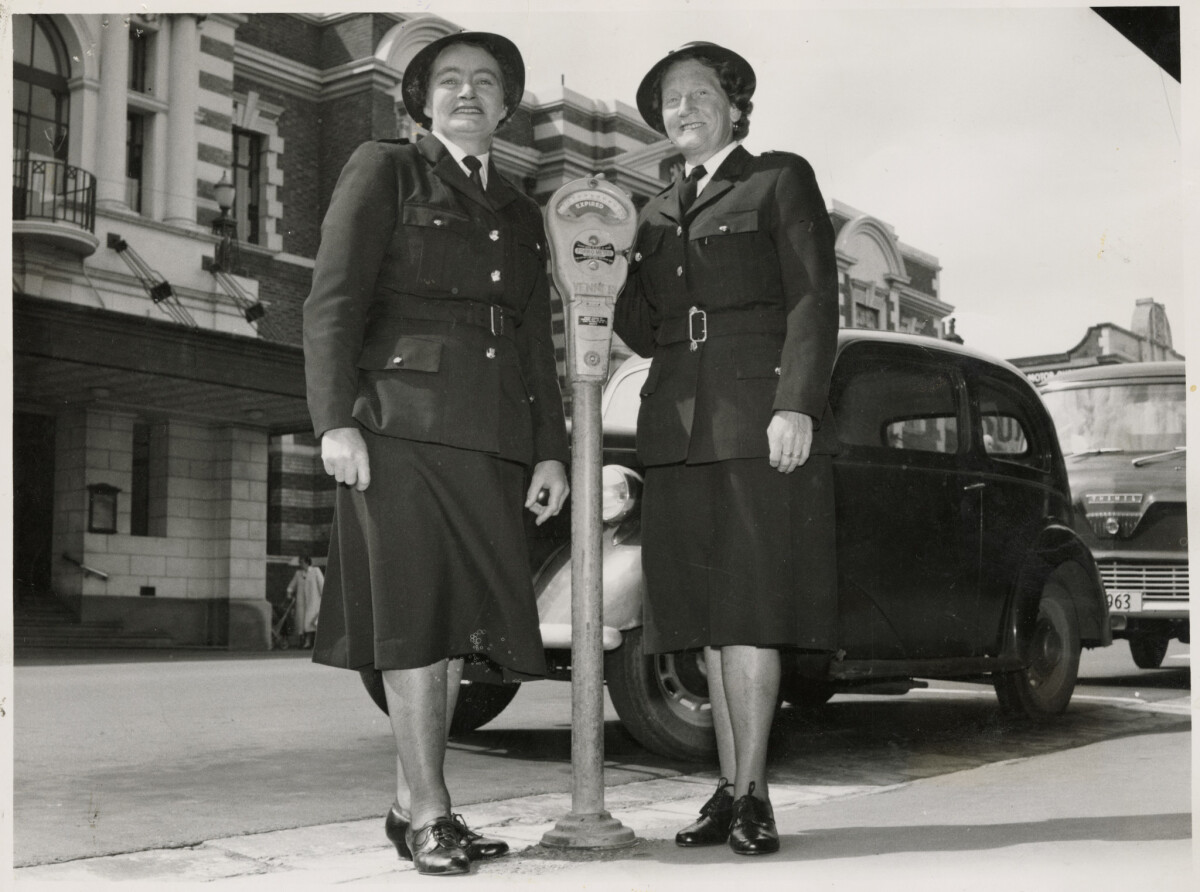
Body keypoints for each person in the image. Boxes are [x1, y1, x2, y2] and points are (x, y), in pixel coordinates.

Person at [302, 30, 569, 877]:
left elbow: (536, 344)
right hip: (399, 428)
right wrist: (334, 422)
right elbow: (333, 301)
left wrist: (550, 453)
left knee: (454, 632)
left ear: (505, 105)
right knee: (415, 623)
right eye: (448, 80)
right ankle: (432, 812)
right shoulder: (384, 169)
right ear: (419, 101)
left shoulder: (523, 210)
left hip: (490, 438)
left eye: (486, 82)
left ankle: (410, 803)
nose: (467, 93)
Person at [614, 42, 840, 856]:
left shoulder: (778, 179)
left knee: (748, 612)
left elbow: (815, 297)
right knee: (706, 621)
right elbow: (640, 328)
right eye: (671, 100)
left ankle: (755, 795)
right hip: (674, 428)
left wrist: (795, 406)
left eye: (699, 94)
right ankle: (727, 787)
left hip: (753, 418)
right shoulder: (649, 212)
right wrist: (606, 266)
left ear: (735, 105)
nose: (684, 109)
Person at [285, 555, 324, 649]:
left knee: (311, 622)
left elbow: (322, 585)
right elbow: (292, 585)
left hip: (314, 601)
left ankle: (309, 642)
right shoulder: (298, 573)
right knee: (301, 623)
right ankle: (304, 642)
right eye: (300, 562)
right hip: (301, 602)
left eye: (302, 562)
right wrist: (289, 592)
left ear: (307, 562)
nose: (300, 564)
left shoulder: (315, 571)